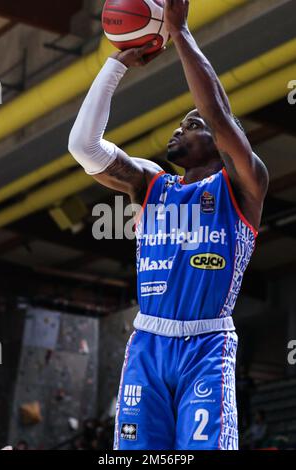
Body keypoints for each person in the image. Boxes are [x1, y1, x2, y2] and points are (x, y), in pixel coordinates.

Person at [68, 0, 269, 450]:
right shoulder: (151, 184)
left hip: (206, 346)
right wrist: (116, 63)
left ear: (219, 143)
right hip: (148, 344)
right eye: (181, 123)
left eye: (191, 124)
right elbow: (84, 147)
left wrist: (180, 33)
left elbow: (217, 114)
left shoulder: (243, 184)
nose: (180, 128)